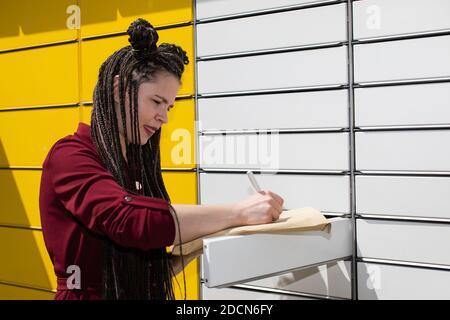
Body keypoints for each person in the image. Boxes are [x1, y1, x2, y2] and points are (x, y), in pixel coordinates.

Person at [39, 18, 284, 300]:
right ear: (119, 90)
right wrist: (237, 212)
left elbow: (130, 272)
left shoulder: (134, 163)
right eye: (156, 102)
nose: (164, 117)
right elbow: (127, 219)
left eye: (168, 106)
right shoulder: (69, 156)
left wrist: (180, 257)